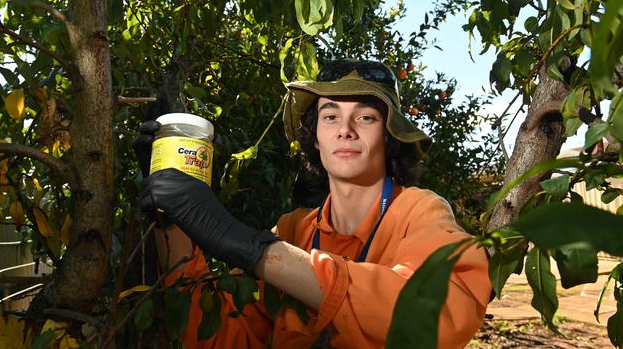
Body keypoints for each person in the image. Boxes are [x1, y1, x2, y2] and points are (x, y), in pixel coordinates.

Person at [135, 59, 491, 348]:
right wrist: (172, 219)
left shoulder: (419, 211)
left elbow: (436, 314)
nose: (345, 129)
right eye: (330, 116)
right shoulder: (294, 230)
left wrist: (252, 247)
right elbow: (216, 335)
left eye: (365, 117)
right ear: (315, 138)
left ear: (389, 136)